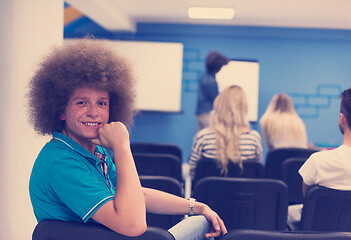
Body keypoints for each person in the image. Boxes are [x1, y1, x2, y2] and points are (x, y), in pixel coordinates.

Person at [28, 39, 227, 239]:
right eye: (81, 103)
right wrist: (122, 145)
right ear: (61, 110)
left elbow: (138, 195)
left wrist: (197, 206)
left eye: (102, 103)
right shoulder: (61, 162)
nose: (93, 112)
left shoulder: (94, 151)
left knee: (201, 220)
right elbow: (133, 226)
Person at [287, 87, 351, 230]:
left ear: (342, 119)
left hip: (320, 232)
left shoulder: (319, 161)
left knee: (288, 213)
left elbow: (307, 200)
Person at [189, 85, 263, 179]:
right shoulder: (253, 139)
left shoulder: (203, 137)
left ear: (219, 105)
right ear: (244, 108)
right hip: (244, 193)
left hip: (209, 193)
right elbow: (257, 174)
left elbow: (193, 173)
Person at [196, 51, 229, 132]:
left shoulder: (203, 76)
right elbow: (216, 101)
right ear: (217, 67)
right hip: (208, 115)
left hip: (200, 114)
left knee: (199, 138)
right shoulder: (211, 82)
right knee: (210, 139)